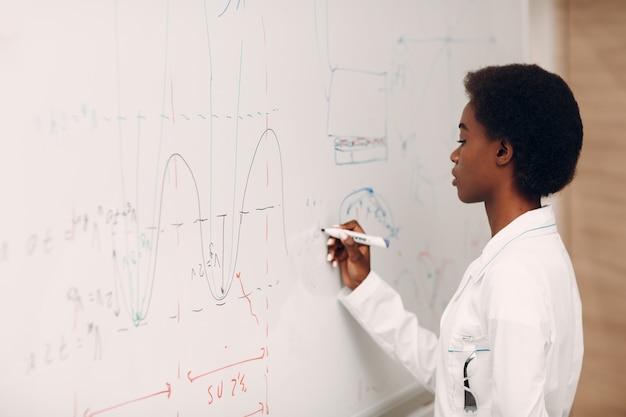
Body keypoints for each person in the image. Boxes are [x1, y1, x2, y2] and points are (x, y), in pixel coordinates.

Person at [326, 63, 584, 417]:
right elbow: (458, 380)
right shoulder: (536, 255)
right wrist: (366, 287)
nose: (454, 154)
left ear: (502, 151)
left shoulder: (515, 275)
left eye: (463, 139)